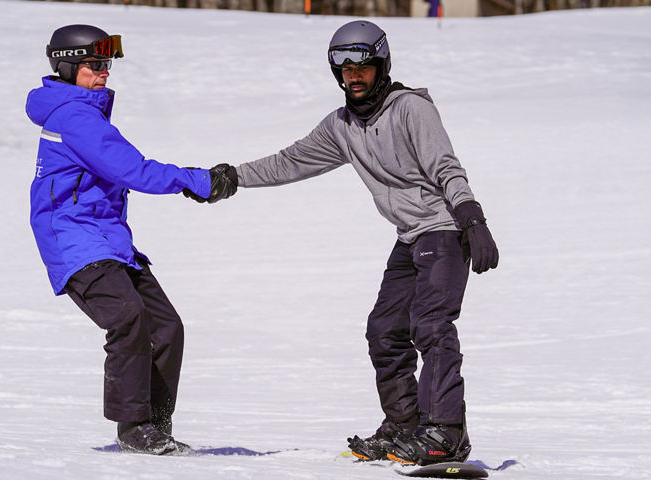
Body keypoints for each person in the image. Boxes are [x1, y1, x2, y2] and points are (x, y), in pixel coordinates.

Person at [185, 20, 498, 465]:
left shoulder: (411, 109)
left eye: (361, 64)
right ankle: (406, 426)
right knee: (385, 332)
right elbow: (291, 160)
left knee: (431, 327)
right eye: (342, 64)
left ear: (381, 64)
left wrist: (472, 219)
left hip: (444, 231)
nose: (352, 73)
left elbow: (446, 167)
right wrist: (234, 177)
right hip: (409, 238)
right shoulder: (342, 125)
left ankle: (445, 433)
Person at [25, 24, 235, 456]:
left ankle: (156, 425)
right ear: (67, 67)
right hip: (74, 241)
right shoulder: (75, 117)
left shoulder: (81, 111)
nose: (104, 72)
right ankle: (133, 428)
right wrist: (198, 181)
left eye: (106, 64)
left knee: (166, 327)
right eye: (94, 65)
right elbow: (132, 170)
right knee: (127, 317)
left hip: (107, 241)